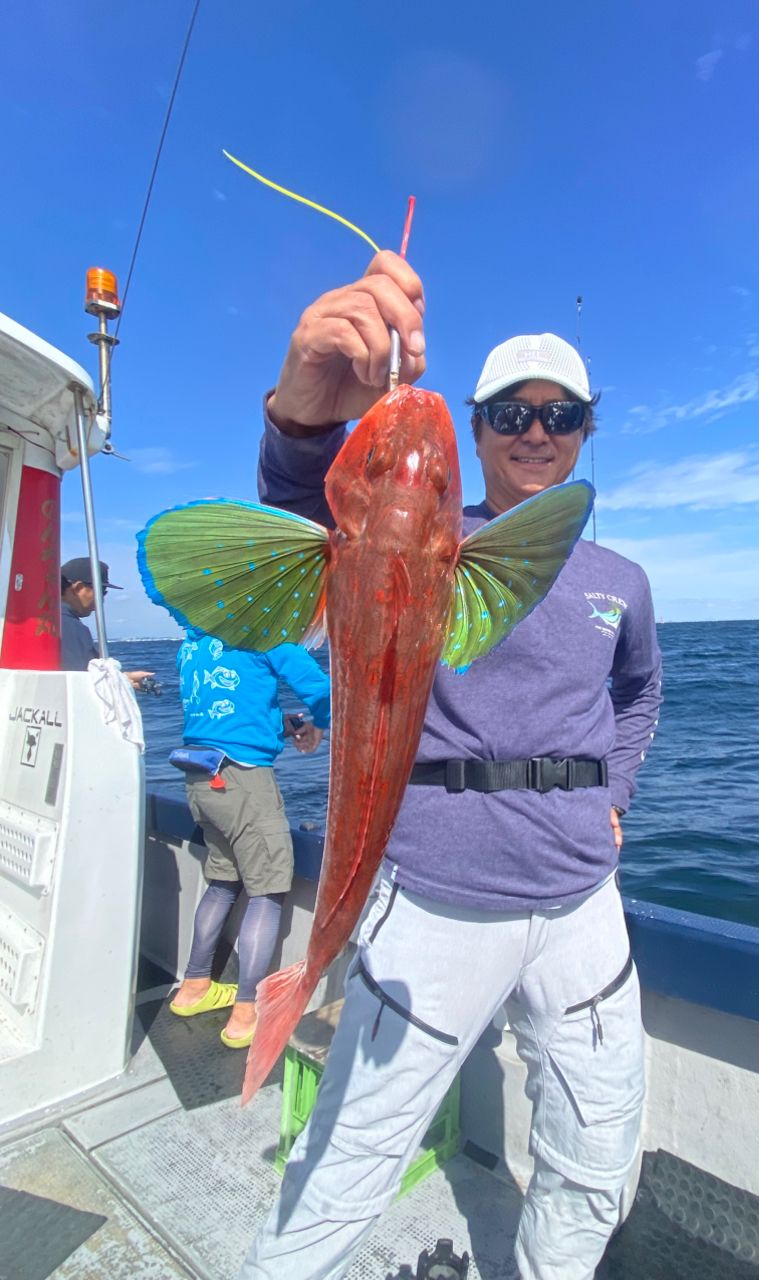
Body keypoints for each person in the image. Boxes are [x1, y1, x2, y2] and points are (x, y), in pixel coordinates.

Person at [240, 253, 662, 1280]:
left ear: (585, 432)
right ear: (474, 431)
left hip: (580, 903)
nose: (534, 433)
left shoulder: (622, 579)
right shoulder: (421, 538)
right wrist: (301, 426)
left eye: (559, 415)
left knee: (597, 1153)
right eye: (510, 414)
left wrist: (614, 792)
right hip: (433, 897)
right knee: (346, 1165)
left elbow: (639, 690)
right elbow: (314, 520)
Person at [169, 629, 331, 1048]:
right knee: (268, 890)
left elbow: (228, 712)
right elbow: (323, 689)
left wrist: (284, 723)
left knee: (223, 883)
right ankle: (246, 1013)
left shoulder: (192, 644)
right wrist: (320, 724)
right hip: (244, 782)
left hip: (200, 779)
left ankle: (195, 986)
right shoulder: (267, 634)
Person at [60, 556, 154, 690]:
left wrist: (123, 679)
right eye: (101, 592)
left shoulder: (49, 622)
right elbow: (80, 682)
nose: (101, 601)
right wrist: (122, 682)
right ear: (78, 588)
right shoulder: (71, 627)